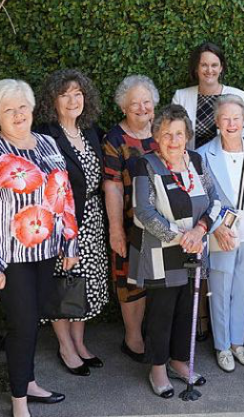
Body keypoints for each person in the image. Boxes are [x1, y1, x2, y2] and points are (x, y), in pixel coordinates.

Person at [0, 79, 78, 417]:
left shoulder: (46, 144)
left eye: (22, 107)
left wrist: (69, 240)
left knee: (33, 321)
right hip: (10, 258)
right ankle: (19, 403)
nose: (18, 114)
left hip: (45, 253)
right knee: (23, 325)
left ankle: (27, 383)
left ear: (31, 108)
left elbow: (64, 194)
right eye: (9, 109)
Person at [129, 104, 222, 398]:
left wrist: (200, 231)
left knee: (186, 309)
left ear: (187, 136)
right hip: (160, 253)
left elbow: (216, 201)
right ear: (156, 135)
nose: (173, 140)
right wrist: (179, 236)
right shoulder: (145, 165)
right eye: (167, 134)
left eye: (179, 134)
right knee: (161, 312)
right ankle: (157, 368)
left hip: (194, 249)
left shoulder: (196, 161)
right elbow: (143, 211)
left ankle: (180, 361)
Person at [34, 69, 108, 376]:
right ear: (53, 100)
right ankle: (65, 346)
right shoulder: (45, 136)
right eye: (65, 94)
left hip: (92, 217)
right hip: (61, 221)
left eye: (77, 93)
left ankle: (79, 342)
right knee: (64, 285)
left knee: (86, 283)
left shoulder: (91, 130)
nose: (72, 100)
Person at [197, 95, 244, 372]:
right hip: (220, 234)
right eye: (225, 118)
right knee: (220, 291)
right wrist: (215, 228)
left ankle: (238, 342)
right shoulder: (202, 154)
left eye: (236, 118)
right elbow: (200, 199)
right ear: (217, 121)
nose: (231, 123)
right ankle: (222, 346)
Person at [103, 75, 160, 362]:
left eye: (146, 102)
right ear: (123, 107)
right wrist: (116, 230)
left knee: (157, 278)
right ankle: (133, 338)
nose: (141, 108)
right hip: (129, 223)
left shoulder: (162, 132)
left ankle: (153, 334)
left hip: (162, 223)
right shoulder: (115, 139)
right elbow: (112, 184)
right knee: (130, 280)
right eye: (134, 103)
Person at [172, 41, 244, 149]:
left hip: (226, 161)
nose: (209, 70)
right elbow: (174, 134)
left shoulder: (238, 95)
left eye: (214, 65)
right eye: (204, 65)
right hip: (190, 162)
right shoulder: (181, 97)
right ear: (196, 68)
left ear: (221, 68)